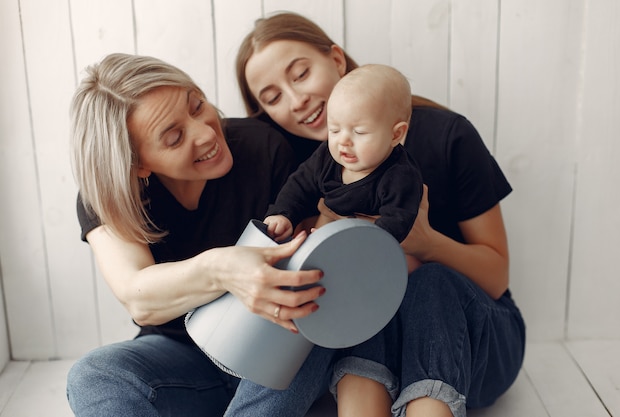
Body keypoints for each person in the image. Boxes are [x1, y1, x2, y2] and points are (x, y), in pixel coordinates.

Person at [227, 11, 526, 417]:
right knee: (369, 296)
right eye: (273, 97)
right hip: (372, 336)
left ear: (335, 60)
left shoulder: (445, 136)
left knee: (427, 281)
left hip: (479, 341)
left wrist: (428, 243)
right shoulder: (305, 167)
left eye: (300, 74)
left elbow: (496, 277)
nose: (297, 102)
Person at [65, 52, 331, 417]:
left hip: (271, 345)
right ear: (138, 163)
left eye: (197, 105)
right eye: (174, 137)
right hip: (181, 356)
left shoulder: (263, 147)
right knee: (92, 375)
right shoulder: (110, 197)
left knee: (310, 332)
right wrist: (222, 268)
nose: (207, 133)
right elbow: (138, 298)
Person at [264, 63, 422, 245]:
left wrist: (345, 243)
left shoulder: (400, 177)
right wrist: (283, 215)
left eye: (360, 132)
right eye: (334, 130)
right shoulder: (327, 157)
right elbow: (299, 186)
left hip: (374, 249)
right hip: (328, 236)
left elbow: (395, 226)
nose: (343, 141)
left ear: (395, 135)